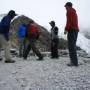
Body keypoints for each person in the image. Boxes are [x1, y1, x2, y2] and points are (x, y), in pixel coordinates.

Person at [64, 2, 79, 66]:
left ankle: (73, 62)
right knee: (73, 45)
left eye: (66, 6)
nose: (65, 8)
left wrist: (66, 29)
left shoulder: (69, 11)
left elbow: (69, 21)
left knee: (71, 46)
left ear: (68, 6)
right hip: (76, 30)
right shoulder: (74, 12)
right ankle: (75, 61)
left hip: (72, 30)